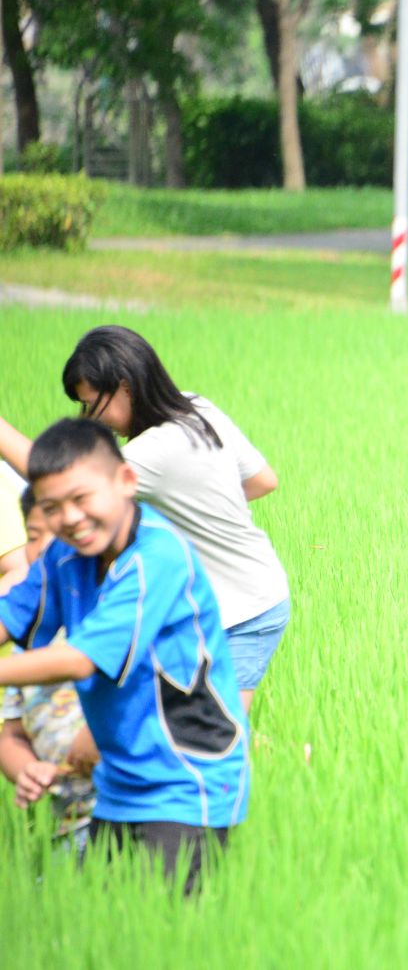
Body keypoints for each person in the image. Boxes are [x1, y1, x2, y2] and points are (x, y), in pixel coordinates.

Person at [0, 419, 249, 893]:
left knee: (171, 934)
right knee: (105, 921)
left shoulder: (158, 555)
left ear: (126, 482)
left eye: (82, 498)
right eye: (51, 508)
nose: (69, 518)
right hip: (117, 783)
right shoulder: (65, 555)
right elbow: (12, 617)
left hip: (186, 780)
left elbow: (80, 659)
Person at [0, 326, 290, 709]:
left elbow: (59, 477)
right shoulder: (196, 407)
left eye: (92, 405)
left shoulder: (153, 451)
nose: (92, 419)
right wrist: (199, 510)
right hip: (246, 589)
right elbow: (262, 481)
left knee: (213, 732)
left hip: (242, 609)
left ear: (125, 386)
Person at [0, 487, 96, 851]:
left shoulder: (109, 616)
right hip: (68, 820)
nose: (45, 550)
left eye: (58, 537)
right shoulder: (28, 637)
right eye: (34, 537)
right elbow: (11, 734)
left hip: (126, 807)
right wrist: (26, 769)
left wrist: (100, 732)